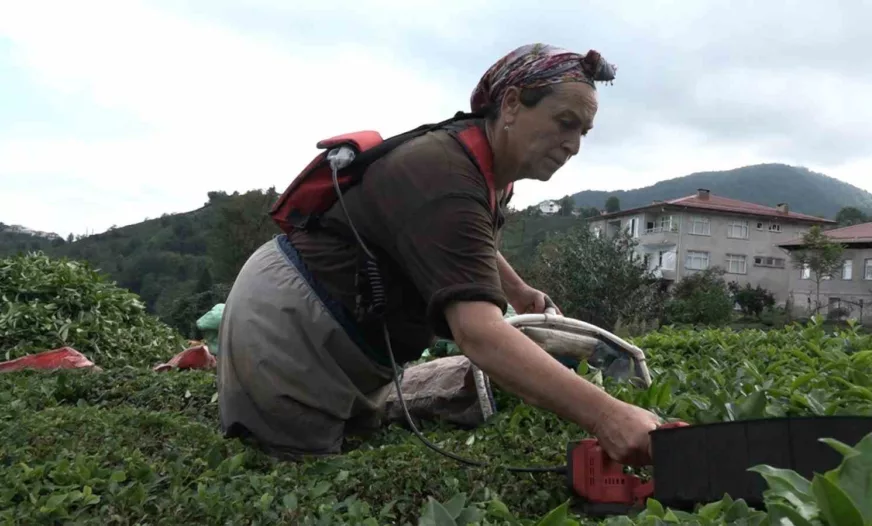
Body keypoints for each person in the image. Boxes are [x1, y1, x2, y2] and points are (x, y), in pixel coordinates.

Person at [216, 43, 661, 465]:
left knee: (350, 448)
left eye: (582, 131)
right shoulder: (445, 173)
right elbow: (479, 334)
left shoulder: (490, 171)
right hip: (291, 326)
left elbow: (465, 239)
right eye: (564, 122)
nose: (574, 145)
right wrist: (607, 415)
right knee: (297, 475)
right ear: (510, 105)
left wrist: (518, 290)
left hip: (347, 337)